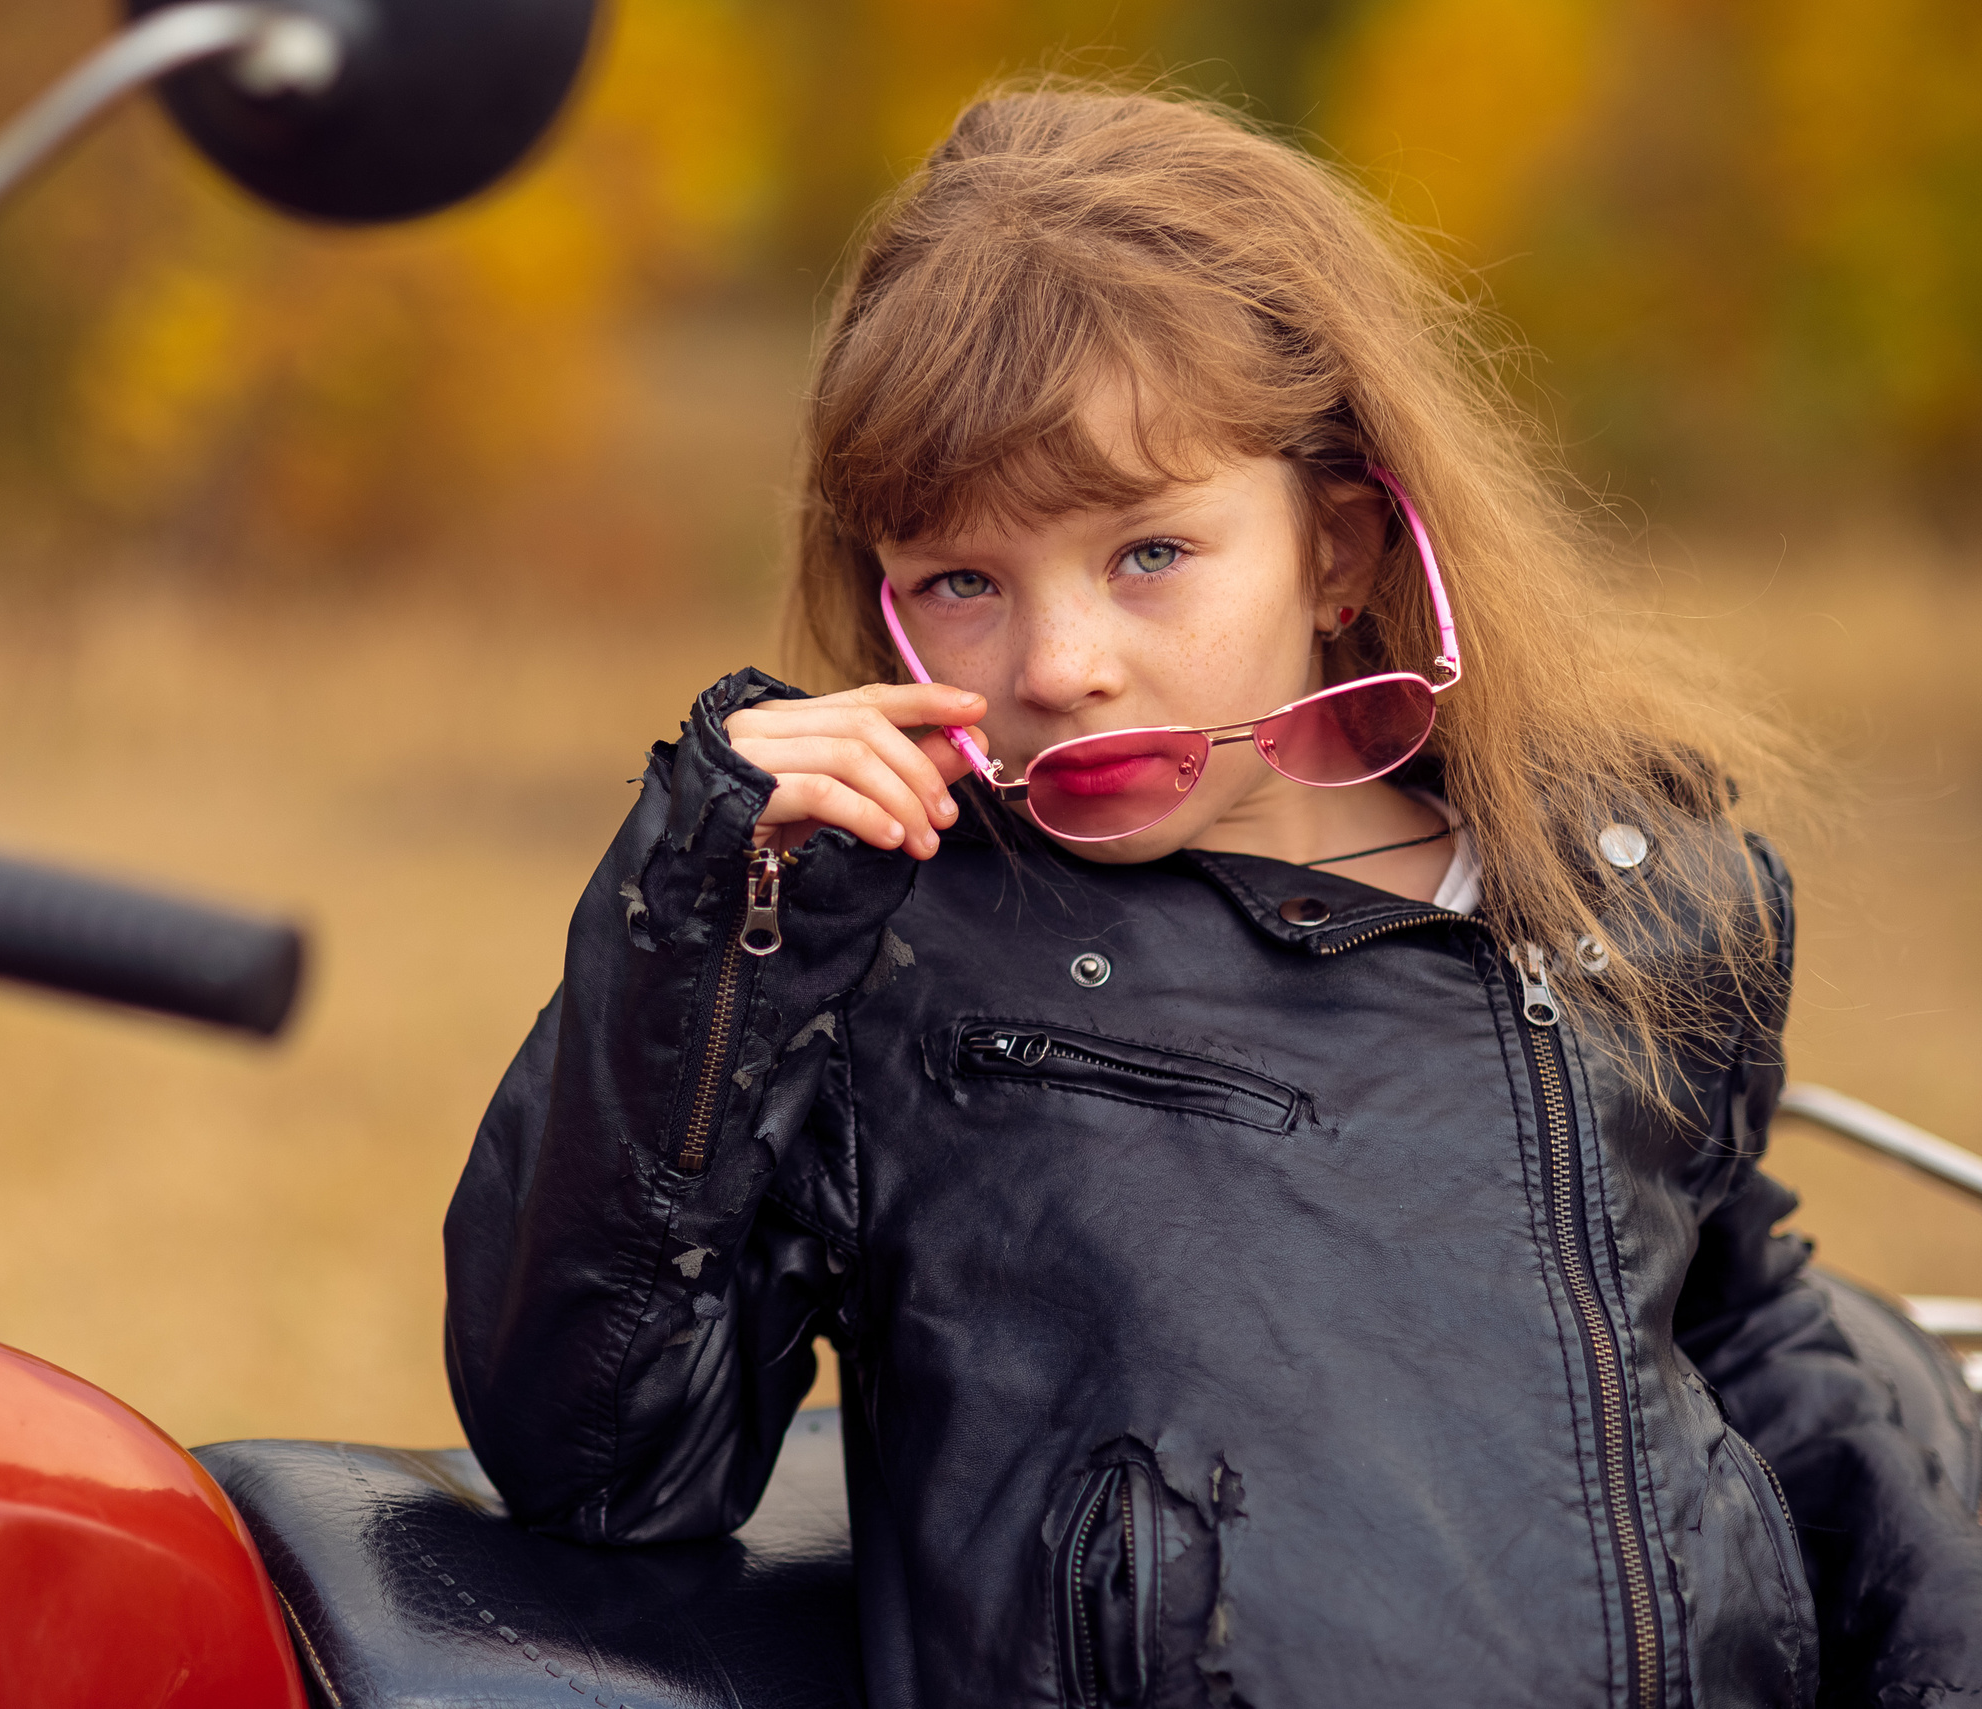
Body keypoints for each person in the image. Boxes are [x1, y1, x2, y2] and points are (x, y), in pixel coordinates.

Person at [442, 87, 1982, 1706]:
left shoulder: (1630, 896)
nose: (1056, 666)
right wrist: (713, 913)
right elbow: (601, 1459)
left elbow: (1738, 1347)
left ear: (1337, 546)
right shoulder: (890, 946)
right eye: (960, 581)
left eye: (1148, 552)